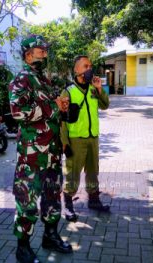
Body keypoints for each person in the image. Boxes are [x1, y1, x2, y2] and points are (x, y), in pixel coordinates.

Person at [9, 34, 71, 263]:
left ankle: (50, 236)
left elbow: (51, 109)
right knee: (27, 200)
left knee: (52, 196)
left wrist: (60, 106)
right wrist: (51, 106)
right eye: (40, 49)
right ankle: (22, 248)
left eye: (46, 49)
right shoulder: (21, 80)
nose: (45, 52)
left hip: (52, 153)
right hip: (32, 155)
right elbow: (18, 112)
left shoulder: (42, 80)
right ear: (28, 54)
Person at [60, 55, 110, 222]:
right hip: (76, 140)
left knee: (93, 172)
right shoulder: (68, 91)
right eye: (85, 66)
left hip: (93, 139)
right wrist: (64, 143)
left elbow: (105, 106)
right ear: (76, 69)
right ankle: (68, 205)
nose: (89, 69)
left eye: (90, 66)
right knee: (73, 173)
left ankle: (94, 201)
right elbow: (62, 121)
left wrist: (100, 89)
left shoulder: (93, 89)